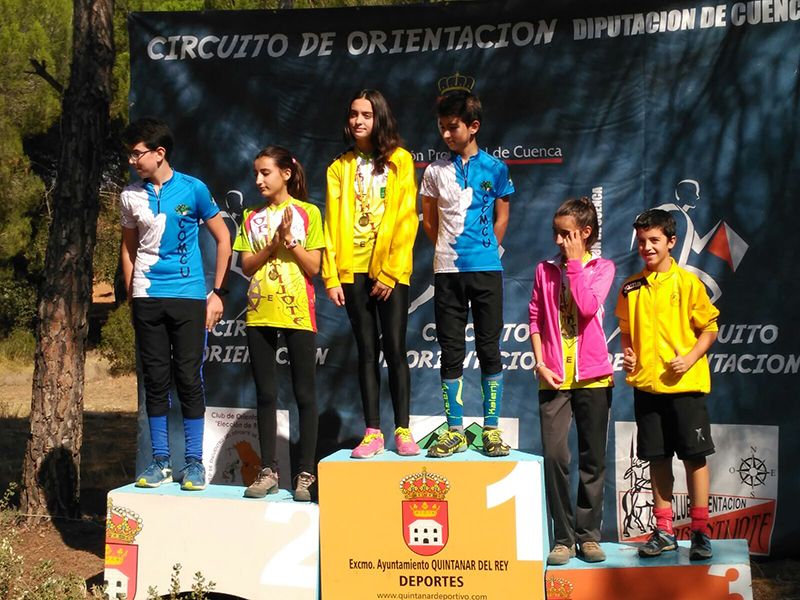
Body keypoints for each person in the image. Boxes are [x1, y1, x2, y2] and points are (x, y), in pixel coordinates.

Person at [120, 117, 232, 491]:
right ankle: (160, 462)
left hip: (188, 296)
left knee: (187, 378)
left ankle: (195, 463)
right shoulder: (130, 195)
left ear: (159, 152)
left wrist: (218, 293)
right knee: (155, 380)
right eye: (130, 154)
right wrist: (132, 293)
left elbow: (223, 238)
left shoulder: (193, 188)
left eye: (137, 153)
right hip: (147, 297)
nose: (132, 160)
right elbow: (128, 248)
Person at [615, 208, 719, 561]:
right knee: (657, 459)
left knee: (694, 458)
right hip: (647, 388)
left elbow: (710, 329)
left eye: (654, 240)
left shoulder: (688, 283)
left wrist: (689, 359)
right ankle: (664, 531)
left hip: (685, 388)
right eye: (642, 241)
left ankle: (701, 531)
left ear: (671, 242)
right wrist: (629, 353)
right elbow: (626, 332)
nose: (647, 247)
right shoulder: (630, 287)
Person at [322, 89, 420, 459]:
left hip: (390, 269)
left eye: (366, 114)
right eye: (353, 114)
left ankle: (403, 430)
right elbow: (331, 223)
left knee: (394, 348)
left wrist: (391, 272)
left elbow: (407, 219)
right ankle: (372, 432)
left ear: (380, 118)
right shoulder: (339, 167)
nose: (358, 121)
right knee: (366, 350)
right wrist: (332, 276)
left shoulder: (400, 160)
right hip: (353, 269)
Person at [420, 88, 514, 458]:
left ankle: (491, 429)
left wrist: (487, 248)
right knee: (451, 350)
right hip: (447, 271)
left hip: (486, 269)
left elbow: (502, 216)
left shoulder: (496, 168)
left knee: (490, 348)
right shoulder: (434, 171)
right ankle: (455, 430)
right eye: (441, 127)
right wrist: (447, 249)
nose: (446, 134)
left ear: (473, 126)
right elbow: (429, 221)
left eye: (453, 127)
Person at [528, 197, 614, 565]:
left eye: (566, 234)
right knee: (554, 457)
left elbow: (587, 307)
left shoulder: (602, 268)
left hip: (593, 378)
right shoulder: (544, 269)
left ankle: (588, 536)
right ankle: (563, 539)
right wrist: (539, 361)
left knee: (592, 460)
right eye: (556, 233)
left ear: (585, 233)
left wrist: (576, 265)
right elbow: (534, 317)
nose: (558, 240)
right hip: (554, 379)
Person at [235, 146, 322, 502]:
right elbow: (246, 265)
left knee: (304, 393)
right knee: (266, 393)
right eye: (256, 173)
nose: (258, 180)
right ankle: (268, 471)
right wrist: (272, 245)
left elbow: (314, 266)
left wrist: (289, 241)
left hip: (298, 310)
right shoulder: (250, 216)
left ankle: (305, 474)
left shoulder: (308, 212)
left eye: (265, 172)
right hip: (259, 311)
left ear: (286, 174)